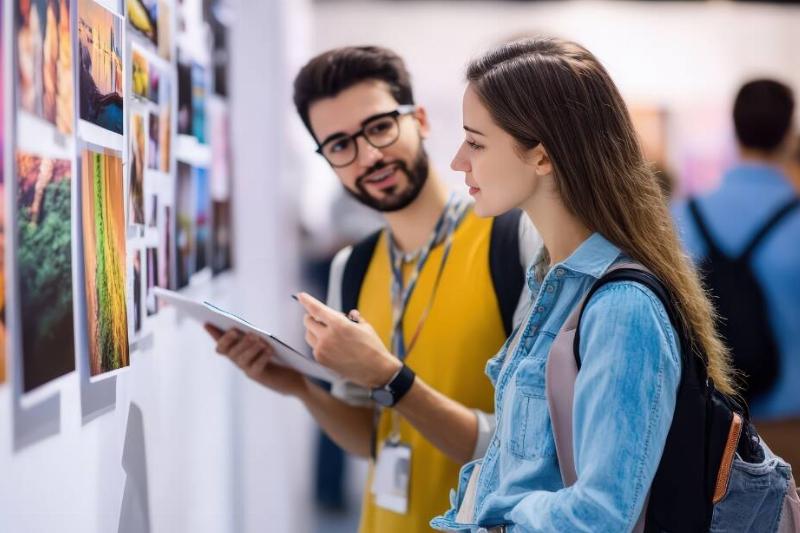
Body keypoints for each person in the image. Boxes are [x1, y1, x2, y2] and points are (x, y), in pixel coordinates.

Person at [291, 38, 800, 531]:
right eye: (339, 145)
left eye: (476, 142)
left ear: (541, 156)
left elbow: (599, 516)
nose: (458, 160)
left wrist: (494, 520)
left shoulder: (619, 305)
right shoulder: (551, 286)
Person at [206, 46, 539, 533]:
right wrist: (300, 386)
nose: (368, 156)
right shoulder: (354, 268)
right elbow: (369, 436)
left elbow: (523, 449)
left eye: (380, 127)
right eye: (340, 145)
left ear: (419, 120)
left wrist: (390, 378)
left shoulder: (513, 241)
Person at [673, 79, 800, 471]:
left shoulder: (682, 217)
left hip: (713, 430)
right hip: (790, 423)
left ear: (734, 128)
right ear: (789, 134)